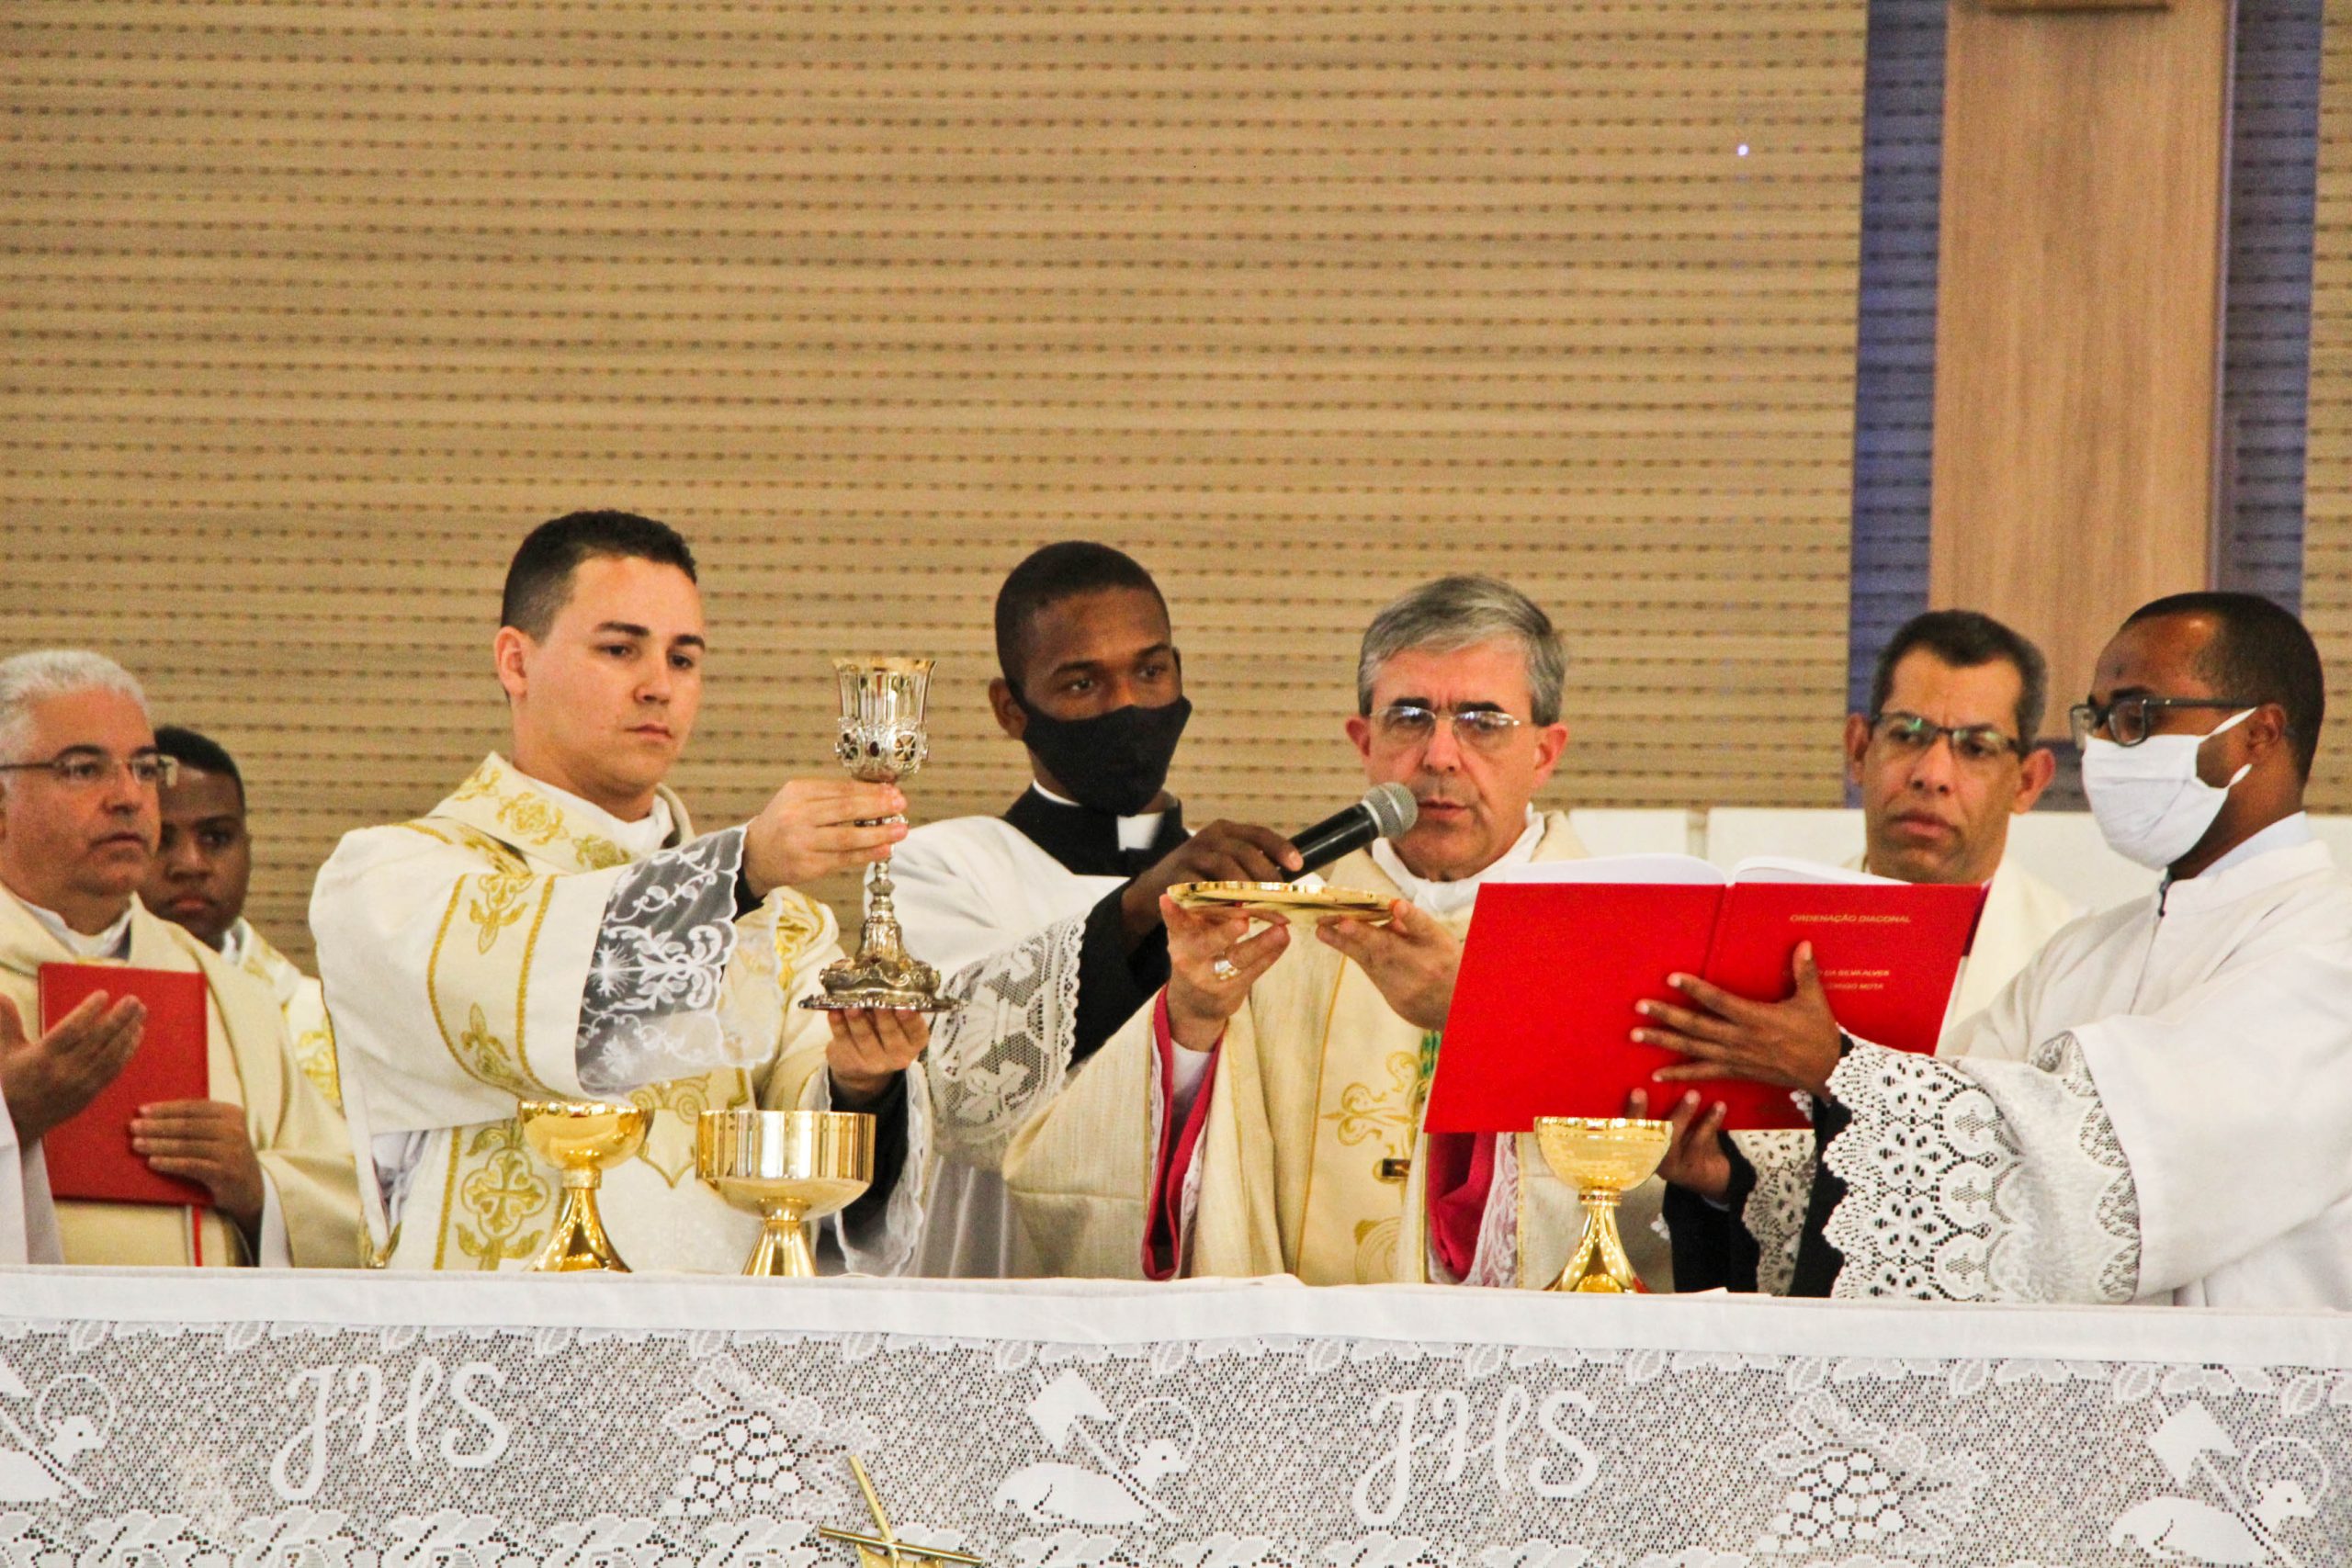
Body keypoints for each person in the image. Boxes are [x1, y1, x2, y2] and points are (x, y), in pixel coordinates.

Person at [1646, 592, 2352, 1306]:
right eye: (2097, 720)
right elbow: (1956, 1163)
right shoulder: (2083, 953)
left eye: (2137, 717)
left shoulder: (2330, 950)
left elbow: (2118, 1176)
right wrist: (1744, 1180)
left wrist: (1835, 1065)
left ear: (2259, 733)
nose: (2106, 749)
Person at [311, 511, 933, 1273]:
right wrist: (737, 871)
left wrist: (860, 1079)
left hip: (718, 1338)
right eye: (619, 649)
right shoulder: (392, 881)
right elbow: (528, 980)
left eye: (683, 658)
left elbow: (818, 1174)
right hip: (498, 1334)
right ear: (516, 662)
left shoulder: (784, 927)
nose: (658, 687)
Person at [996, 575, 1630, 1287]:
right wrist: (1191, 1025)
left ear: (1545, 752)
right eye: (1410, 717)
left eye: (1482, 721)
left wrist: (1479, 1017)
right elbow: (1092, 1181)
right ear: (1364, 741)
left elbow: (1660, 1189)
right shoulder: (1278, 933)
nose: (1441, 755)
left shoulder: (1618, 939)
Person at [1639, 611, 2081, 1292]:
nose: (1932, 773)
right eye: (1907, 734)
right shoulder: (1762, 943)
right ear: (1857, 748)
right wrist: (1726, 1184)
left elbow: (2057, 1218)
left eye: (1976, 747)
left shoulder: (2075, 965)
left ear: (2028, 780)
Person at [893, 542, 1301, 1276]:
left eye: (1150, 672)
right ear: (1011, 708)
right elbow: (958, 1085)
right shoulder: (944, 865)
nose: (1127, 706)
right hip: (1007, 1273)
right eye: (1082, 683)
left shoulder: (1251, 892)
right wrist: (1140, 905)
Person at [0, 650, 358, 1267]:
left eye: (144, 768)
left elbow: (359, 1218)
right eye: (83, 769)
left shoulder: (229, 996)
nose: (129, 797)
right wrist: (10, 1118)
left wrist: (259, 1189)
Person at [141, 726, 342, 1111]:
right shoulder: (75, 1007)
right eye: (161, 839)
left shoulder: (326, 1024)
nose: (191, 864)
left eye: (215, 838)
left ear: (248, 851)